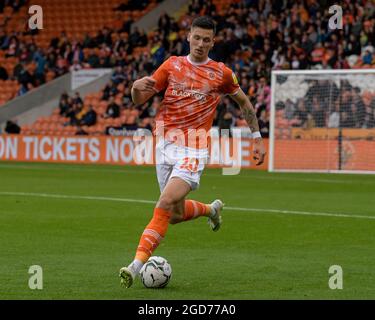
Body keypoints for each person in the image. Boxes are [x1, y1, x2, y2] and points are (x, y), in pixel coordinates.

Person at [119, 16, 266, 288]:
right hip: (164, 145)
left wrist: (257, 137)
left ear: (213, 42)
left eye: (206, 39)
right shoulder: (171, 65)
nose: (200, 44)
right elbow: (141, 98)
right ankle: (211, 209)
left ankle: (135, 265)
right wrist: (134, 88)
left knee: (163, 203)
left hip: (194, 148)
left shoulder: (221, 73)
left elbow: (244, 103)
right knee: (172, 215)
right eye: (196, 38)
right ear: (188, 36)